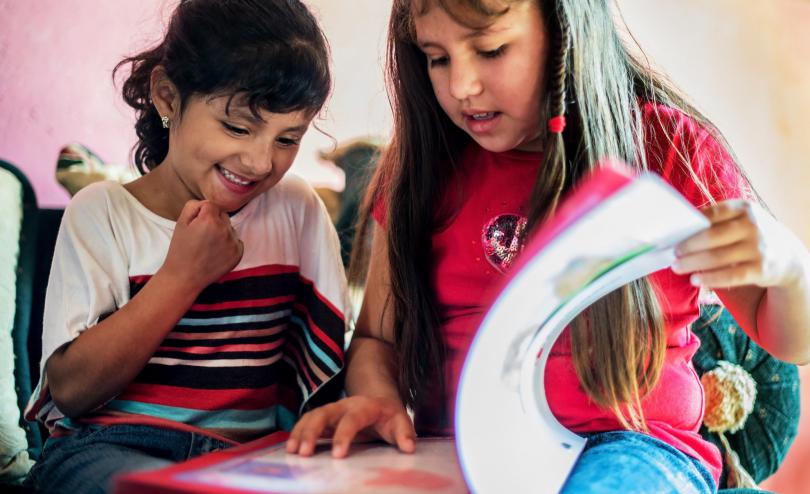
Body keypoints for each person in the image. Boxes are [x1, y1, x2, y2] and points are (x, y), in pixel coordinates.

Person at [286, 1, 810, 492]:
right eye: (437, 58)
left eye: (491, 50)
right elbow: (378, 338)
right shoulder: (418, 170)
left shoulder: (668, 148)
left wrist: (790, 269)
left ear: (565, 34)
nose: (463, 85)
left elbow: (788, 339)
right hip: (466, 453)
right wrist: (377, 398)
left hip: (635, 449)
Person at [23, 1, 347, 492]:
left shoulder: (296, 211)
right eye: (238, 127)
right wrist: (180, 278)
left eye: (288, 138)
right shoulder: (103, 213)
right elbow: (70, 391)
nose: (261, 162)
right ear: (168, 97)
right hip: (110, 449)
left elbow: (328, 375)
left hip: (250, 459)